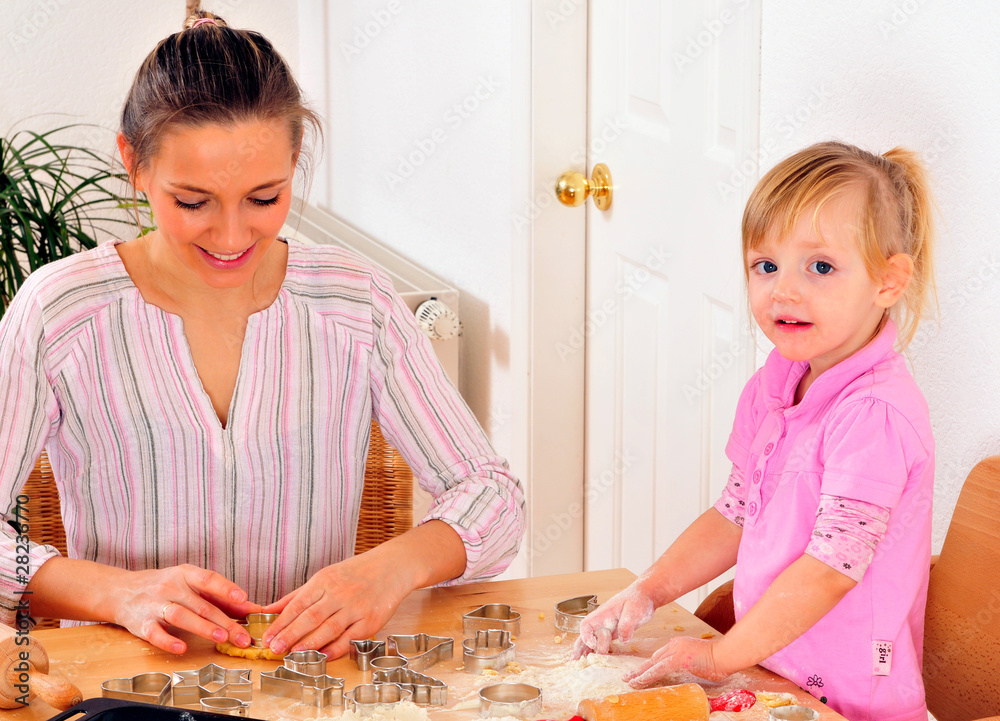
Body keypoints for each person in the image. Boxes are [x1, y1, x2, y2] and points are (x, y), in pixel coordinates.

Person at [0, 12, 524, 660]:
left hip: (311, 681)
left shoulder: (357, 302)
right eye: (193, 201)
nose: (230, 236)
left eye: (265, 197)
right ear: (132, 162)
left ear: (295, 161)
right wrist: (117, 594)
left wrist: (385, 570)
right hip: (128, 685)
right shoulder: (59, 312)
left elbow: (494, 497)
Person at [576, 141, 936, 721]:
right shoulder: (775, 385)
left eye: (820, 267)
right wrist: (647, 590)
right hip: (771, 675)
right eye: (765, 265)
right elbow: (735, 514)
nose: (784, 291)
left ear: (888, 282)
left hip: (848, 704)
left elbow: (828, 572)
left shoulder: (875, 415)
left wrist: (718, 657)